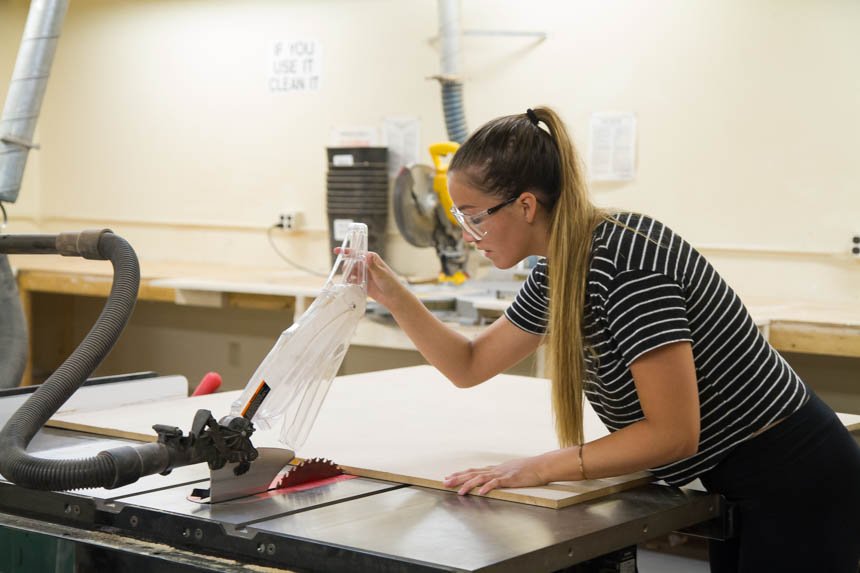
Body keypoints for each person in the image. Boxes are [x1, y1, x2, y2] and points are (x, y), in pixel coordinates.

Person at [359, 107, 860, 572]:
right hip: (739, 480)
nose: (469, 234)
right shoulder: (561, 269)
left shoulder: (625, 261)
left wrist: (537, 469)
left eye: (474, 215)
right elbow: (470, 364)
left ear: (526, 205)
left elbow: (671, 433)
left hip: (797, 481)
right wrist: (393, 291)